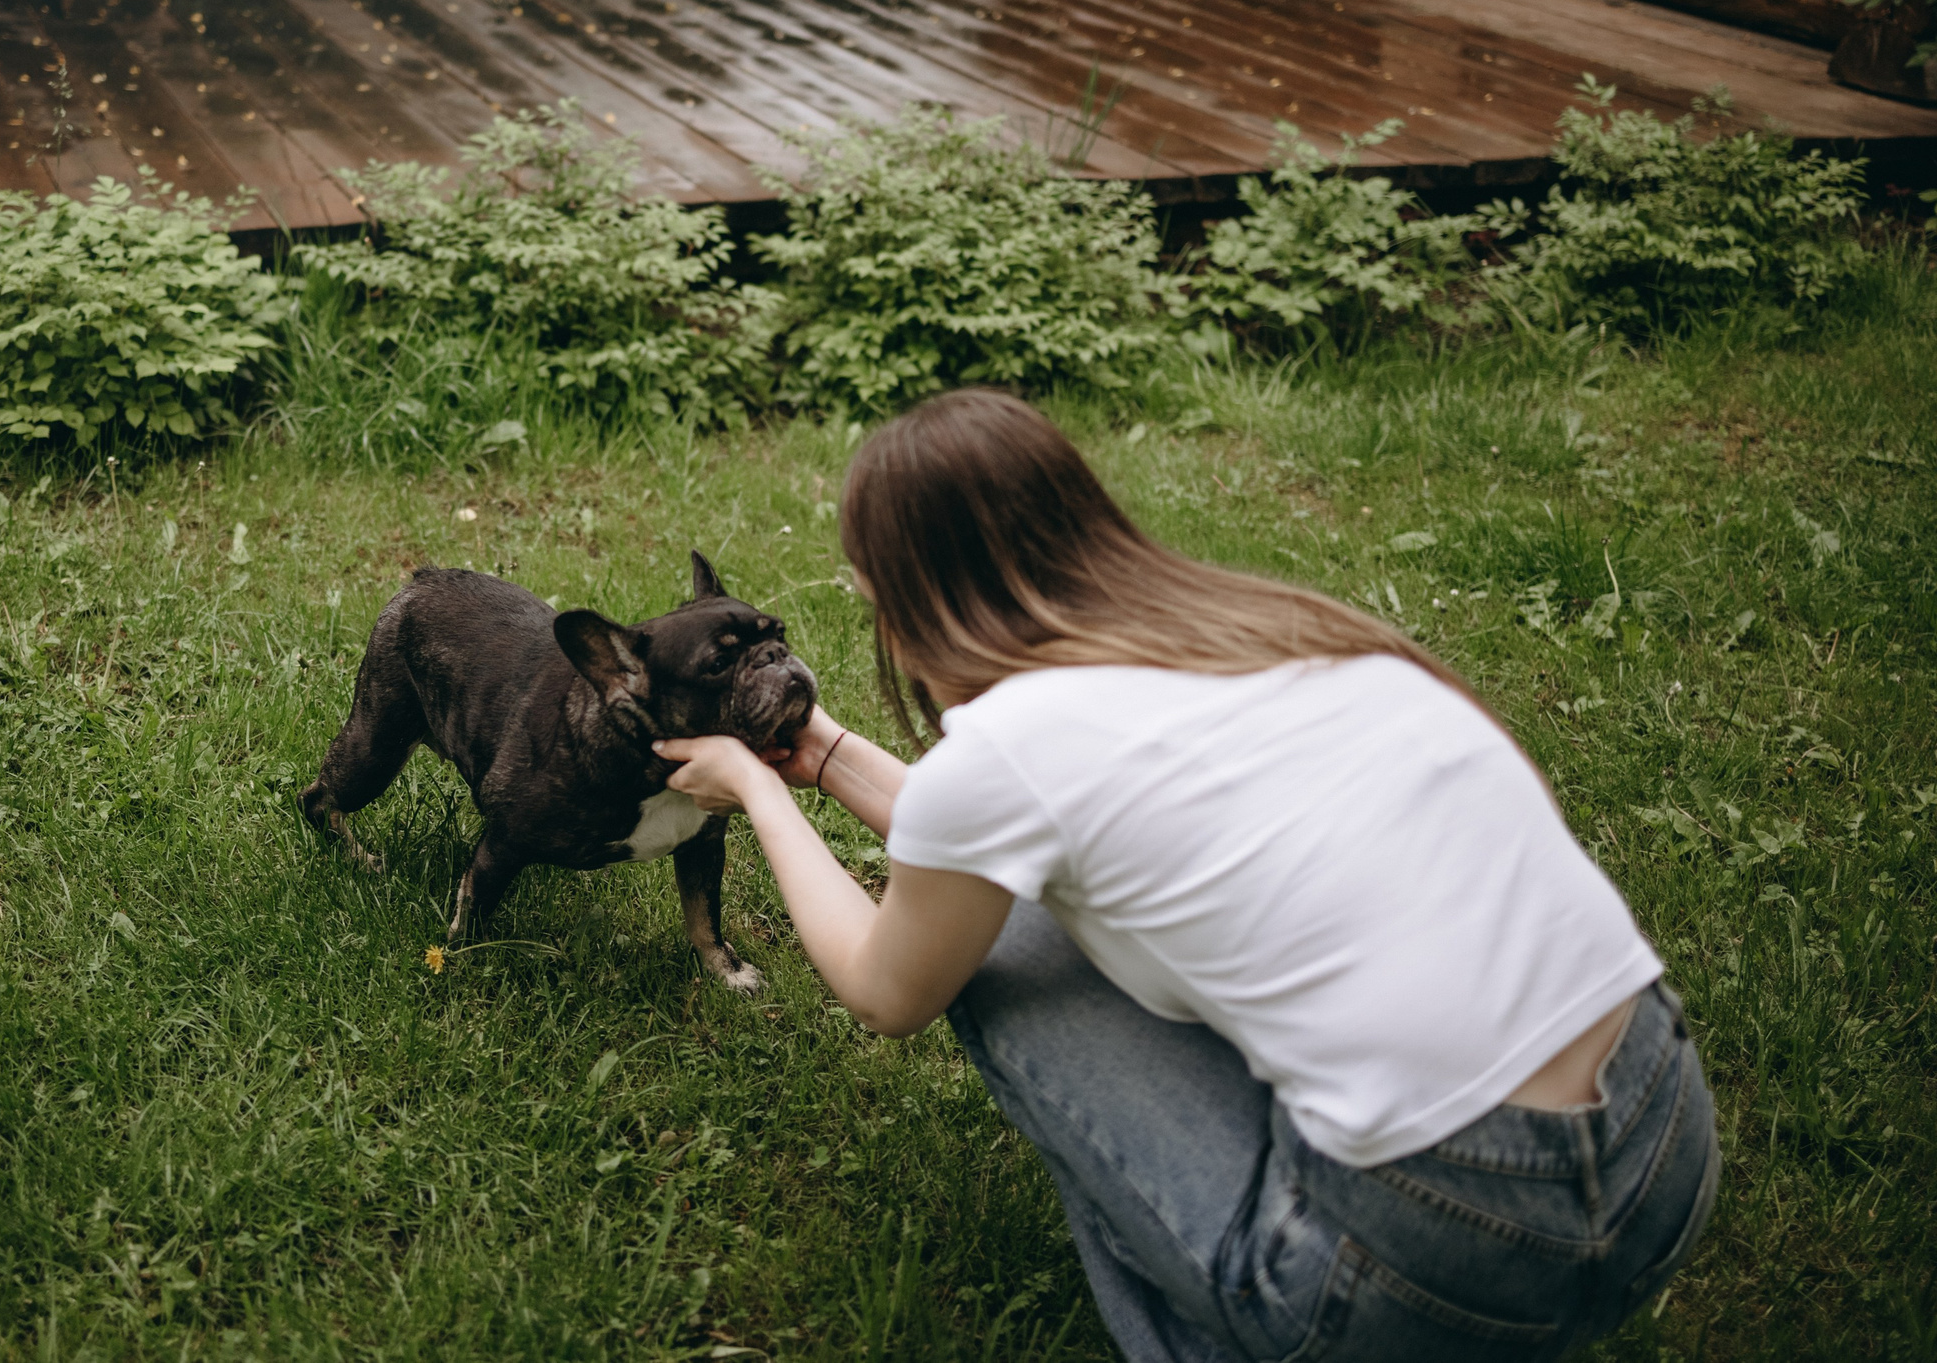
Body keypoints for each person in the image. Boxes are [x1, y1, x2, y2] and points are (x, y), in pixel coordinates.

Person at [654, 389, 1718, 1363]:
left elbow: (889, 988)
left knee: (998, 959)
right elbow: (988, 828)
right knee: (1030, 909)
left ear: (903, 598)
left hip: (1434, 1259)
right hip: (1661, 1145)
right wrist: (828, 754)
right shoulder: (1284, 635)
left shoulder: (1008, 752)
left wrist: (761, 792)